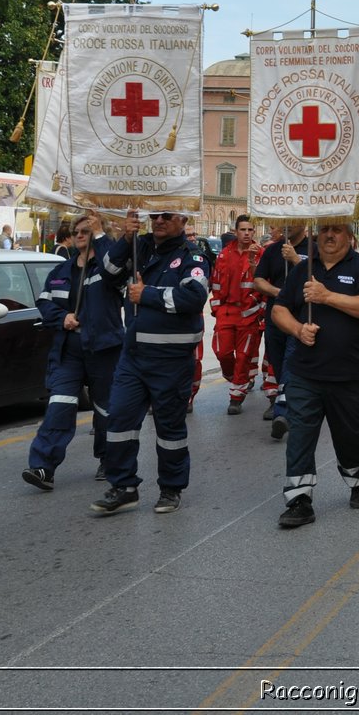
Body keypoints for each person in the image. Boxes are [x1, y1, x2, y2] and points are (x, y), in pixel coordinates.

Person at [91, 210, 209, 516]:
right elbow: (108, 272)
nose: (158, 221)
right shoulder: (139, 245)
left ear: (183, 220)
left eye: (167, 216)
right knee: (118, 421)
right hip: (133, 357)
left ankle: (171, 488)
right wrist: (125, 238)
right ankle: (123, 486)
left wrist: (149, 295)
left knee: (168, 428)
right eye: (155, 215)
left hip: (171, 360)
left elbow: (194, 298)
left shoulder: (192, 256)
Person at [272, 221, 359, 529]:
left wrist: (326, 296)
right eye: (324, 230)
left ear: (350, 236)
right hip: (306, 374)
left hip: (350, 375)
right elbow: (279, 309)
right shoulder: (303, 270)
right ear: (316, 235)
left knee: (353, 438)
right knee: (300, 437)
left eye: (337, 230)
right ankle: (299, 500)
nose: (330, 236)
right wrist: (297, 329)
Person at [23, 213, 122, 491]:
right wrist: (61, 318)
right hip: (69, 350)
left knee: (106, 409)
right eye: (77, 230)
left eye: (86, 230)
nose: (80, 234)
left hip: (105, 349)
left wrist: (101, 235)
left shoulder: (107, 268)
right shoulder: (60, 272)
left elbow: (115, 268)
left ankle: (109, 459)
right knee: (60, 405)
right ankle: (43, 466)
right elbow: (44, 302)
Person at [253, 224, 308, 439]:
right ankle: (290, 402)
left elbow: (318, 280)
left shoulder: (313, 248)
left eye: (291, 220)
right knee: (277, 361)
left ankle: (282, 410)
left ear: (302, 223)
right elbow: (258, 281)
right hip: (275, 316)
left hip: (300, 316)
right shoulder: (273, 250)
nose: (285, 224)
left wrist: (295, 260)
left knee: (290, 363)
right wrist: (279, 292)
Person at [210, 215, 266, 414]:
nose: (247, 233)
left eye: (250, 230)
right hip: (226, 311)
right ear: (236, 231)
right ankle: (234, 377)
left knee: (243, 356)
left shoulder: (261, 255)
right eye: (243, 230)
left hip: (249, 313)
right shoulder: (224, 254)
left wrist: (259, 309)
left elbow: (265, 283)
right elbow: (215, 283)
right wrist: (216, 307)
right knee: (223, 352)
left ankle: (236, 397)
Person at [181, 222, 215, 412]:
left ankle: (189, 396)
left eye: (194, 234)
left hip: (193, 319)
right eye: (188, 235)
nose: (192, 238)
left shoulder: (199, 258)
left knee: (194, 361)